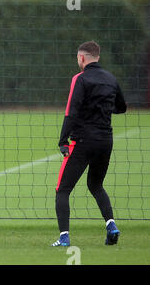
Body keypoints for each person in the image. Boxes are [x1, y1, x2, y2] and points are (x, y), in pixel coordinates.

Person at [52, 41, 127, 247]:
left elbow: (71, 111)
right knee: (96, 185)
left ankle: (64, 238)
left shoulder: (80, 79)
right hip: (105, 141)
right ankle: (111, 226)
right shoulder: (110, 79)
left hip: (83, 141)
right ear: (98, 57)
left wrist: (62, 140)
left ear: (82, 58)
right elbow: (121, 107)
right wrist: (100, 109)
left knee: (63, 189)